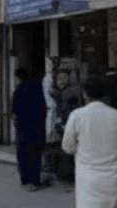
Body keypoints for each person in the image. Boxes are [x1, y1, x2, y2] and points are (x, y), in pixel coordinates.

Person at [64, 76, 117, 208]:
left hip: (87, 177)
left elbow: (67, 147)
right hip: (112, 177)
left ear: (84, 94)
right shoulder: (115, 115)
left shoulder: (77, 115)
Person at [14, 67, 50, 191]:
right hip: (37, 129)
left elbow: (14, 112)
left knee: (24, 156)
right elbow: (44, 109)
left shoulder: (18, 91)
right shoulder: (38, 90)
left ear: (18, 78)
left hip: (23, 130)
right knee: (36, 155)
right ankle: (35, 181)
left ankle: (26, 182)